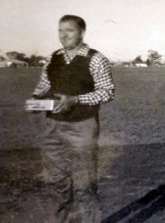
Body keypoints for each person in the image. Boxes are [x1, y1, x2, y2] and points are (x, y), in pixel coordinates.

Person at [31, 14, 115, 223]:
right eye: (60, 30)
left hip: (82, 126)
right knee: (56, 182)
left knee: (84, 184)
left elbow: (107, 92)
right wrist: (35, 99)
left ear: (81, 32)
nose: (63, 35)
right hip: (53, 126)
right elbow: (44, 86)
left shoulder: (95, 58)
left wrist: (75, 99)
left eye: (69, 30)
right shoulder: (54, 58)